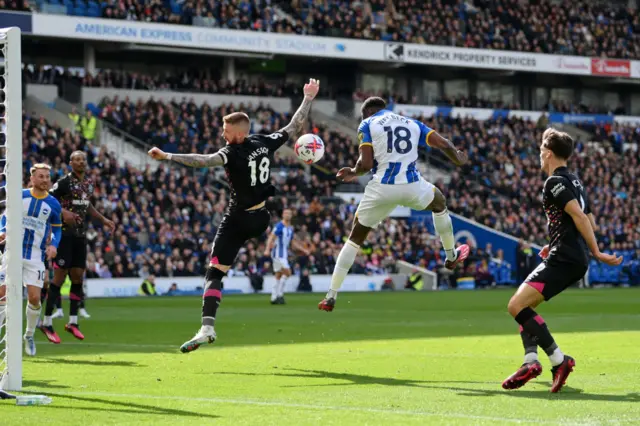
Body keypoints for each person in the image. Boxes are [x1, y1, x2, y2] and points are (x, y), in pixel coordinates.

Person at [147, 78, 320, 353]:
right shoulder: (264, 142)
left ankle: (207, 328)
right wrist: (308, 98)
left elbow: (202, 161)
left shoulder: (231, 152)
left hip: (237, 218)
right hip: (261, 219)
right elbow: (293, 127)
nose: (223, 135)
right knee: (221, 268)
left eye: (226, 131)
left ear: (239, 133)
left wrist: (167, 156)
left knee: (214, 272)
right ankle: (207, 328)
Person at [318, 97, 470, 312]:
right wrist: (457, 157)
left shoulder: (368, 123)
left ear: (368, 111)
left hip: (382, 188)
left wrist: (353, 172)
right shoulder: (412, 123)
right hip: (412, 185)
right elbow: (444, 143)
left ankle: (331, 296)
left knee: (355, 238)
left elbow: (367, 163)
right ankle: (451, 256)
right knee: (439, 203)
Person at [501, 128, 622, 393]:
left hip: (566, 256)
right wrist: (556, 241)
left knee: (516, 306)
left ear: (547, 153)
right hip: (569, 254)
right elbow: (588, 219)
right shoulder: (575, 181)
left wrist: (597, 251)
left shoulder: (553, 182)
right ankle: (530, 361)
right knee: (525, 305)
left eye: (541, 151)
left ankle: (558, 360)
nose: (539, 156)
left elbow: (579, 217)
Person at [41, 151, 115, 344]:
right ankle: (46, 322)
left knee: (77, 276)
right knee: (59, 277)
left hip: (80, 236)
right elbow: (49, 197)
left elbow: (86, 205)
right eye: (77, 159)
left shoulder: (88, 183)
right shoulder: (65, 182)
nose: (81, 162)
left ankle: (73, 322)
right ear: (71, 162)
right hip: (64, 234)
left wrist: (103, 219)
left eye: (83, 159)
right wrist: (63, 211)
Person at [0, 164, 62, 356]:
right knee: (2, 294)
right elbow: (5, 217)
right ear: (32, 178)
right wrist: (2, 231)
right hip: (13, 252)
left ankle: (29, 334)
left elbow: (57, 228)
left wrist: (54, 245)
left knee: (35, 298)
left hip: (35, 256)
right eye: (41, 176)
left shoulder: (53, 204)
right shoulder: (19, 196)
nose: (45, 180)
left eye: (47, 177)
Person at [263, 208, 310, 305]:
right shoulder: (279, 226)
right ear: (283, 215)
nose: (287, 215)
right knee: (288, 272)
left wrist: (303, 249)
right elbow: (271, 237)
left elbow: (292, 242)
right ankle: (279, 294)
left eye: (289, 213)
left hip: (284, 254)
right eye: (286, 213)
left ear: (291, 216)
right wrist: (267, 249)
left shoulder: (290, 228)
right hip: (277, 253)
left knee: (278, 275)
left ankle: (274, 297)